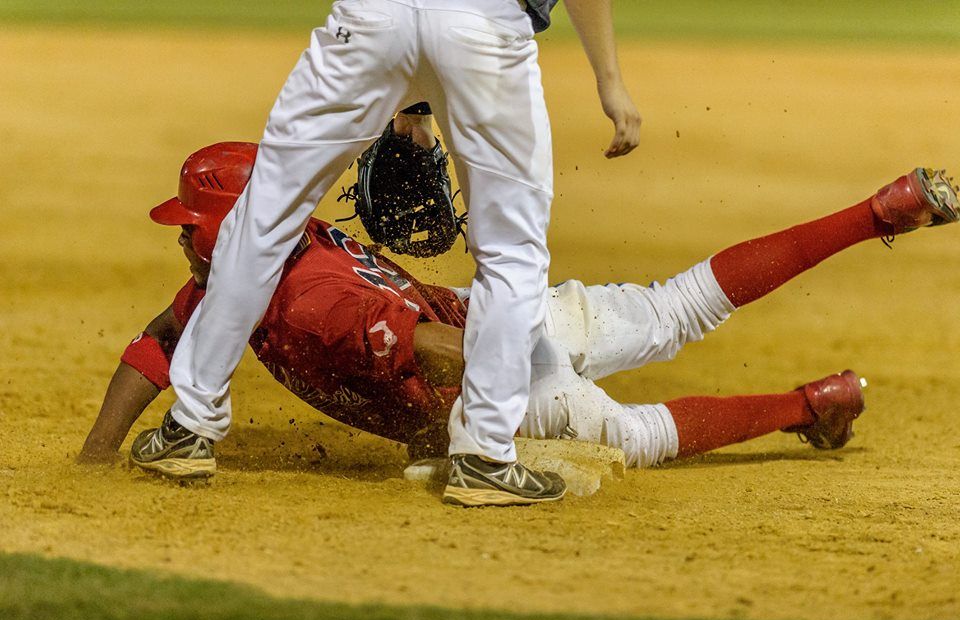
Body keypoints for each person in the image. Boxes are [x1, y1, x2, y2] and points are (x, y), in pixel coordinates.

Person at [81, 141, 960, 498]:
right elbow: (163, 337)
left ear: (234, 232)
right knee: (677, 304)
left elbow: (430, 347)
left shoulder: (304, 298)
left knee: (631, 437)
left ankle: (814, 403)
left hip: (481, 369)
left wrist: (479, 425)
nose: (187, 249)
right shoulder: (269, 251)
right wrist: (94, 455)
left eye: (194, 232)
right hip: (512, 311)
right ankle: (876, 212)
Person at [140, 0, 641, 506]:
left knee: (263, 219)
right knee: (511, 252)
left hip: (371, 21)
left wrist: (414, 106)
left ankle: (190, 426)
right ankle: (485, 456)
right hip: (484, 29)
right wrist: (610, 80)